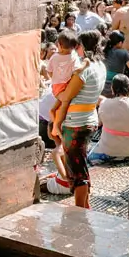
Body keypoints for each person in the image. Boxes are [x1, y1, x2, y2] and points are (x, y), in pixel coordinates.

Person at [51, 30, 107, 209]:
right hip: (89, 119)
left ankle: (79, 211)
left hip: (76, 123)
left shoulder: (85, 69)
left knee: (77, 171)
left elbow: (66, 95)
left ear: (82, 47)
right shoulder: (100, 66)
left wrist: (57, 121)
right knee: (80, 164)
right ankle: (85, 205)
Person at [89, 75, 129, 165]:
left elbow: (99, 123)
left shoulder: (104, 104)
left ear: (112, 89)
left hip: (108, 152)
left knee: (88, 155)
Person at [47, 30, 89, 128]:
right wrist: (85, 64)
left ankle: (53, 114)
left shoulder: (54, 57)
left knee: (60, 100)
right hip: (67, 84)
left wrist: (55, 77)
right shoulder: (73, 56)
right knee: (65, 102)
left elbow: (49, 71)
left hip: (56, 86)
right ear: (74, 47)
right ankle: (58, 124)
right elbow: (77, 70)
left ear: (59, 45)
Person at [102, 30, 129, 98]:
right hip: (115, 89)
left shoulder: (103, 50)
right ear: (120, 43)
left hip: (101, 87)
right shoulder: (123, 53)